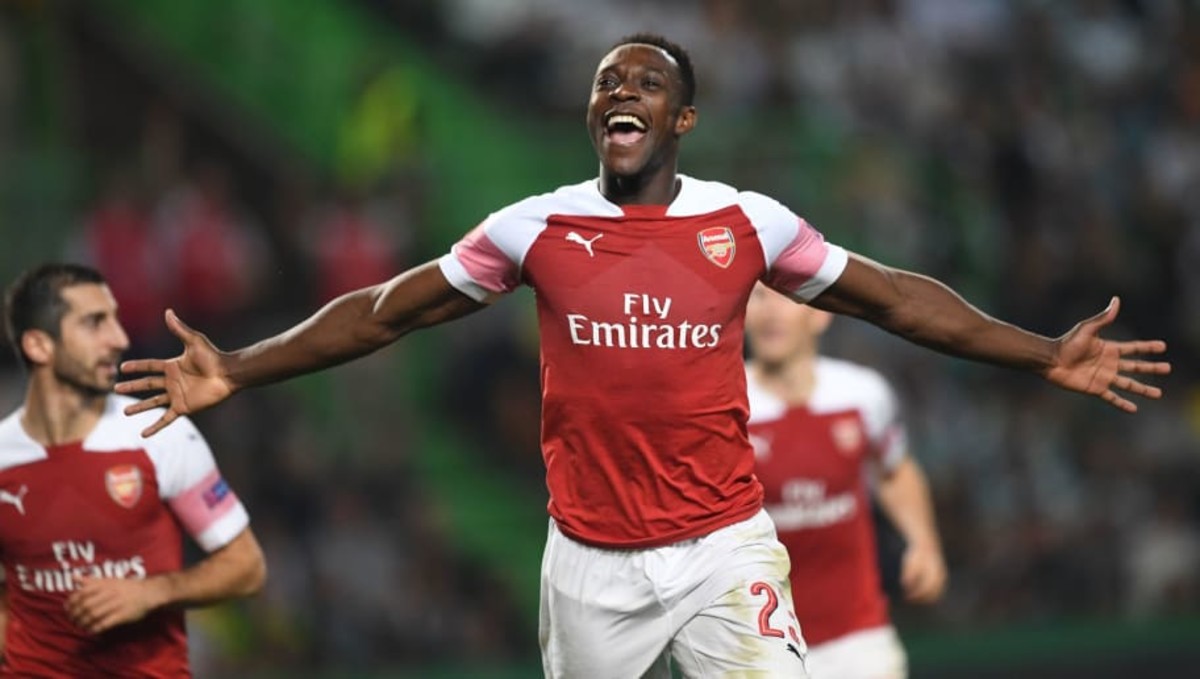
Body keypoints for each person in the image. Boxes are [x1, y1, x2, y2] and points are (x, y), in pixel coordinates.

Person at [115, 34, 1169, 678]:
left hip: (722, 545)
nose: (620, 88)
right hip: (588, 560)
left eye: (646, 80)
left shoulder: (748, 223)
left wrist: (1042, 354)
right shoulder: (534, 227)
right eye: (606, 79)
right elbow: (388, 312)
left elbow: (895, 298)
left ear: (682, 117)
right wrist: (240, 366)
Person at [0, 263, 266, 677]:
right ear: (39, 346)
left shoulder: (157, 434)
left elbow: (246, 567)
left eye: (115, 320)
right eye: (95, 323)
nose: (120, 339)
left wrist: (152, 591)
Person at [745, 282, 946, 678]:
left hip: (857, 638)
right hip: (759, 641)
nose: (770, 313)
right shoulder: (724, 407)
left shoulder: (862, 394)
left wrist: (924, 543)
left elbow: (894, 470)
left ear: (821, 313)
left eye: (786, 299)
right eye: (758, 298)